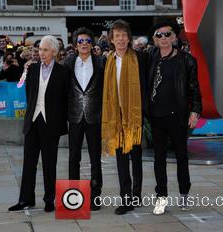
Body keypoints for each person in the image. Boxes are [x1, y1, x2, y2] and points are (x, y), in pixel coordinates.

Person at [8, 35, 69, 212]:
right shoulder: (32, 69)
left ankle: (49, 200)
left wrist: (60, 121)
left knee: (50, 164)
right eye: (40, 49)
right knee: (29, 163)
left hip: (51, 124)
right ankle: (26, 199)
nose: (41, 53)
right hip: (33, 122)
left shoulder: (63, 72)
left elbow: (65, 99)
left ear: (54, 52)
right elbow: (29, 94)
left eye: (45, 50)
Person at [147, 19, 202, 214]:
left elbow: (195, 89)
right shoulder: (151, 57)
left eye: (167, 34)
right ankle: (161, 197)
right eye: (159, 35)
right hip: (156, 116)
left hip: (177, 116)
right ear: (154, 38)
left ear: (175, 36)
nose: (164, 38)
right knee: (158, 159)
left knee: (181, 157)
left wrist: (195, 111)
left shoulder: (187, 60)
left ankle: (184, 195)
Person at [102, 19, 148, 215]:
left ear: (129, 38)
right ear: (112, 39)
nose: (120, 39)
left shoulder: (140, 58)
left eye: (124, 35)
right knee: (121, 159)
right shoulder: (108, 61)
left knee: (136, 158)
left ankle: (136, 195)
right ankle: (125, 198)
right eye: (117, 36)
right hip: (117, 117)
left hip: (134, 116)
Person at [64, 27, 106, 211]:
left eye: (87, 41)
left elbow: (106, 89)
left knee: (95, 157)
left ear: (92, 44)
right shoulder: (67, 63)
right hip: (74, 116)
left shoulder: (101, 62)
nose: (84, 44)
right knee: (74, 157)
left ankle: (95, 195)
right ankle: (74, 194)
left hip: (94, 116)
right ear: (75, 45)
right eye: (80, 41)